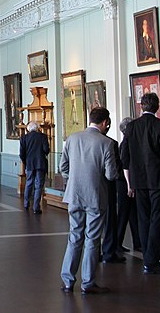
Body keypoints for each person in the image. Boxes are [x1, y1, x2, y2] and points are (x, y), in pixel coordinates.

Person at [59, 107, 119, 295]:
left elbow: (63, 167)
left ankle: (68, 280)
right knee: (92, 239)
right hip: (95, 196)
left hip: (74, 195)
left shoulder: (72, 138)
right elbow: (110, 175)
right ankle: (88, 282)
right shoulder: (106, 143)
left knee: (74, 236)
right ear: (104, 123)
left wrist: (75, 178)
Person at [120, 92, 160, 275]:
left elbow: (124, 156)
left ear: (141, 106)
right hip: (158, 180)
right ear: (157, 107)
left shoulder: (131, 127)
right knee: (158, 219)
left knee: (143, 218)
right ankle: (152, 260)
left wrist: (129, 181)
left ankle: (147, 257)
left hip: (138, 180)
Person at [100, 115, 126, 264]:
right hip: (108, 187)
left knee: (91, 224)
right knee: (109, 221)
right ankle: (109, 252)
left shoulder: (77, 139)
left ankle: (94, 252)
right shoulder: (111, 143)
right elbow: (113, 170)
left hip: (88, 189)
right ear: (106, 124)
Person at [116, 117, 142, 253]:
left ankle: (137, 242)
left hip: (128, 181)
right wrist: (129, 185)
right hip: (125, 182)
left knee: (132, 213)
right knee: (124, 213)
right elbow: (125, 164)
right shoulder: (126, 142)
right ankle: (118, 242)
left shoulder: (127, 142)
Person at [19, 121, 49, 214]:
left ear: (28, 128)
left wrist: (25, 162)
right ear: (37, 128)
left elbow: (21, 154)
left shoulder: (24, 138)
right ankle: (36, 207)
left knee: (29, 183)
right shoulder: (43, 137)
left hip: (29, 164)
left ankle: (26, 204)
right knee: (39, 185)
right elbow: (46, 150)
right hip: (40, 164)